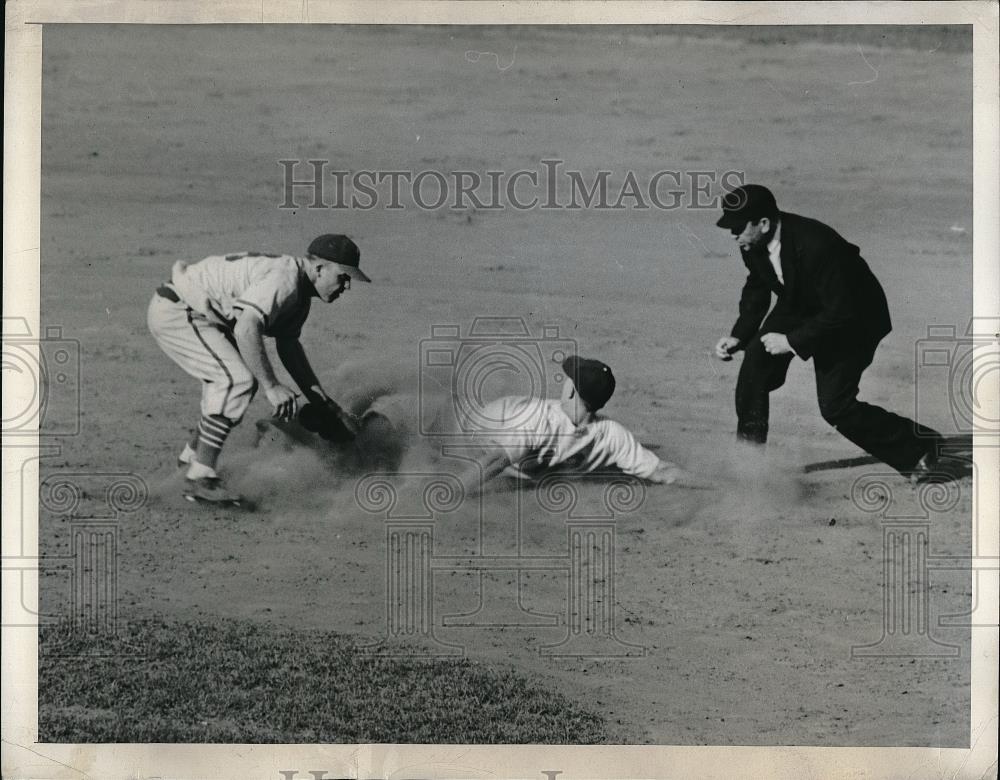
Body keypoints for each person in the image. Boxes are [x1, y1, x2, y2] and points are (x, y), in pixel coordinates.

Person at [712, 184, 945, 483]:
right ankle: (749, 464)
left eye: (738, 228)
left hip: (854, 318)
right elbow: (758, 284)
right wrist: (740, 335)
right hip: (803, 302)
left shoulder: (816, 244)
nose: (734, 236)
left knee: (836, 406)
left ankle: (920, 448)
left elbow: (841, 311)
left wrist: (791, 341)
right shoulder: (752, 243)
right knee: (755, 363)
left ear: (764, 223)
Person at [147, 234, 370, 503]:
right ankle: (200, 477)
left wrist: (325, 405)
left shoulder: (299, 294)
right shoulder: (284, 281)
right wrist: (272, 386)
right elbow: (246, 328)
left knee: (231, 382)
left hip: (193, 311)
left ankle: (192, 460)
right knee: (236, 381)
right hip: (179, 310)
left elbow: (289, 348)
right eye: (343, 276)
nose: (346, 286)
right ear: (320, 268)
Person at [457, 355, 682, 493]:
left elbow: (493, 461)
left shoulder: (539, 420)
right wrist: (716, 486)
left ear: (572, 390)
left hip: (469, 423)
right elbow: (663, 471)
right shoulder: (613, 434)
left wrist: (451, 492)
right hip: (495, 425)